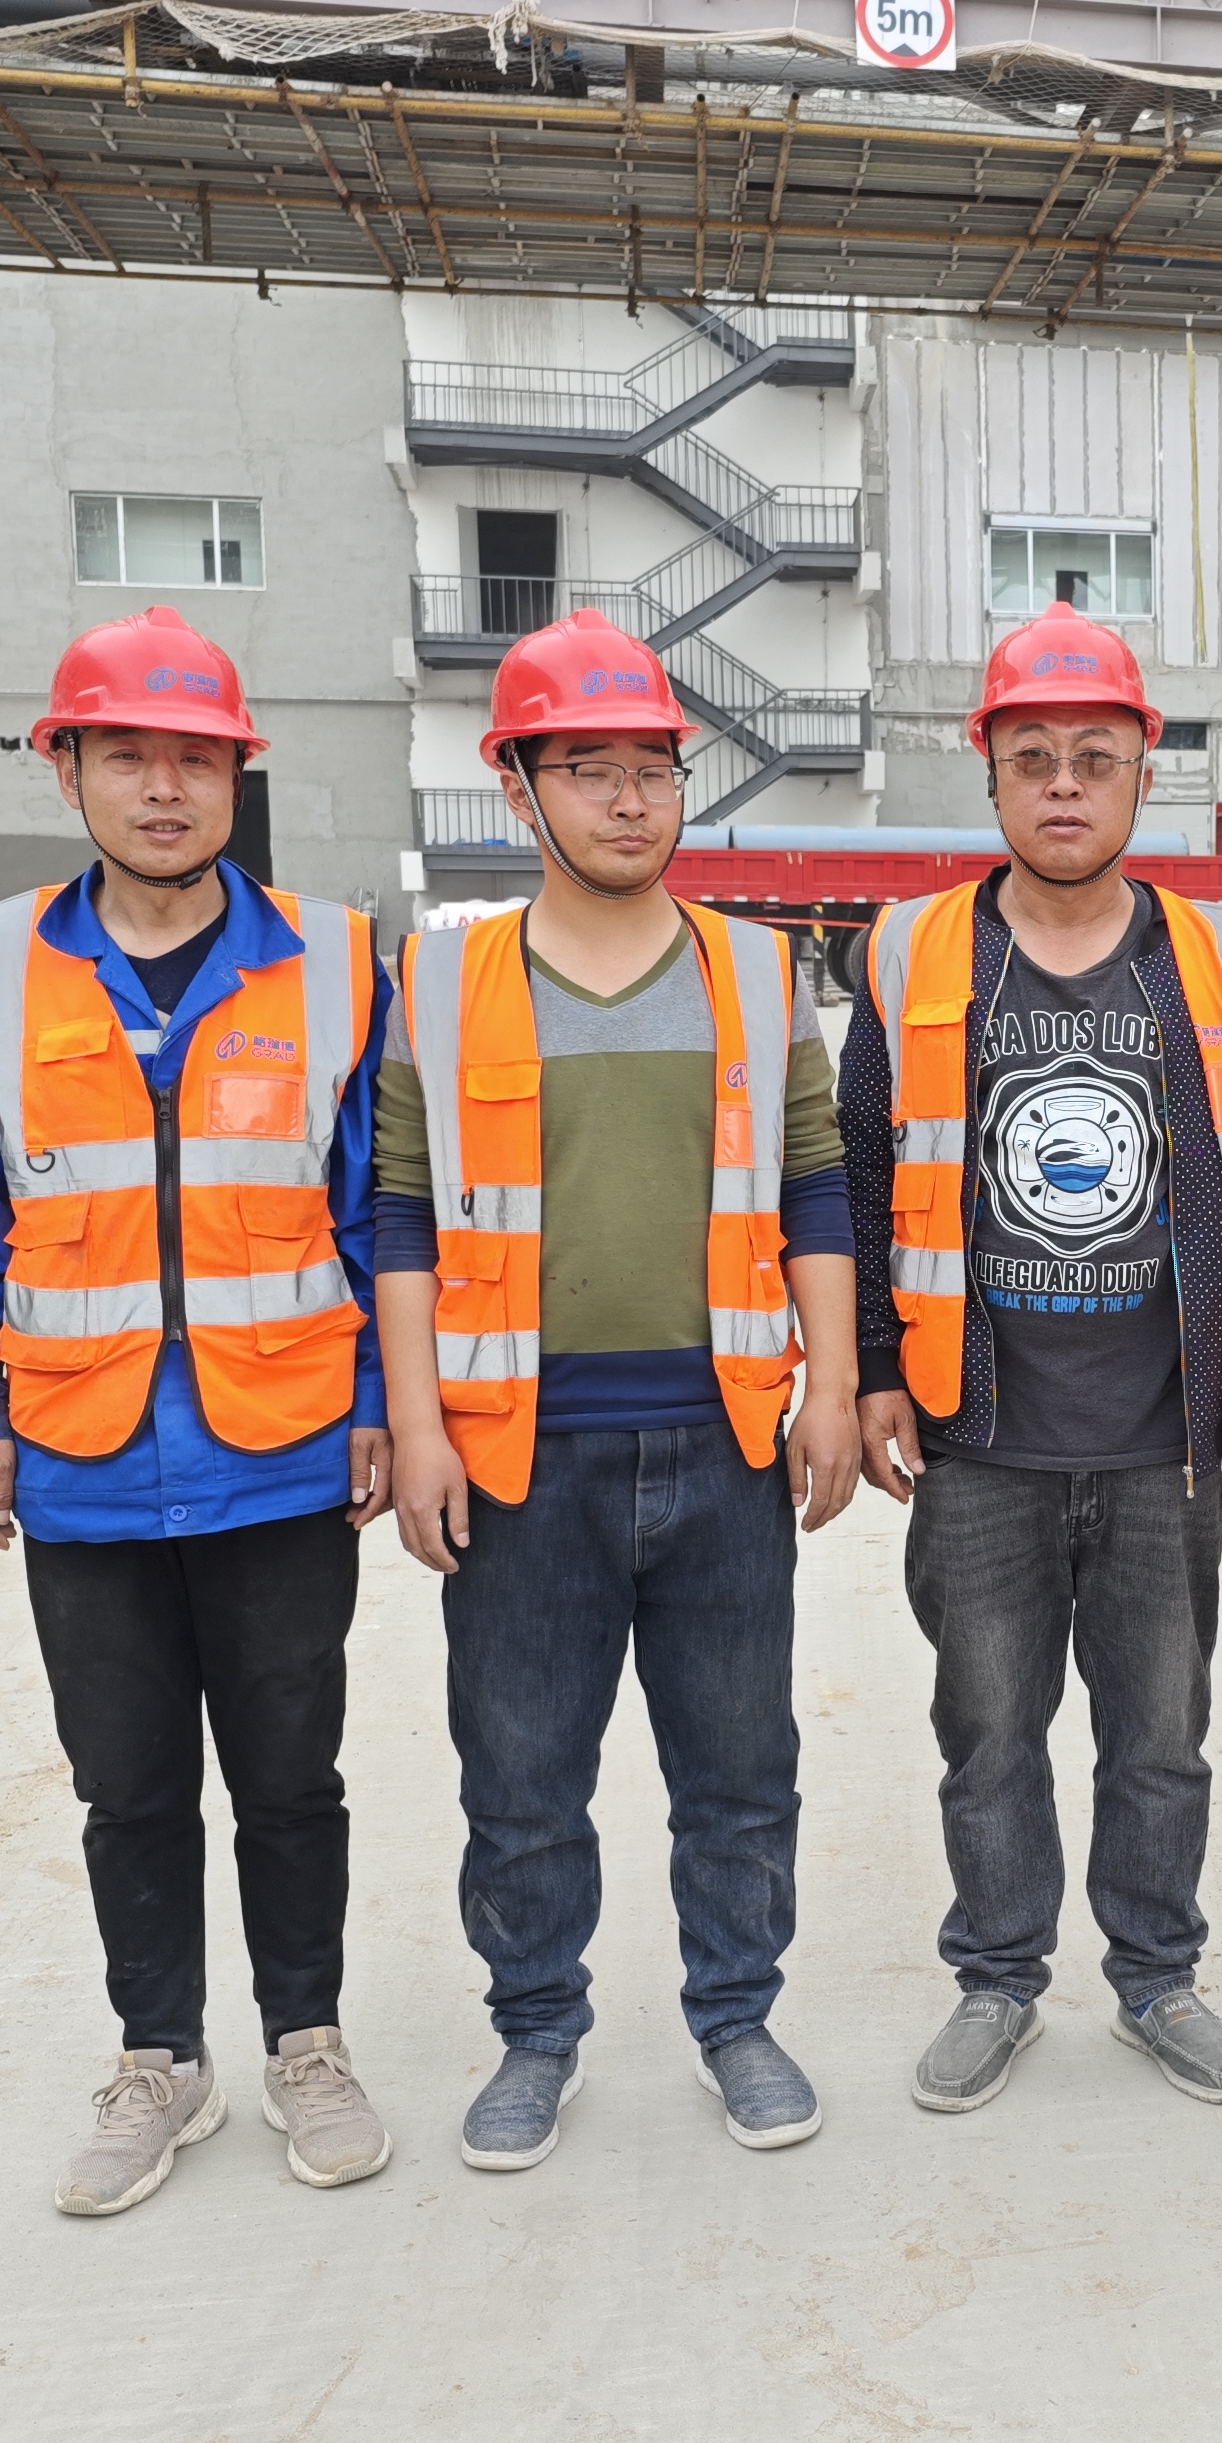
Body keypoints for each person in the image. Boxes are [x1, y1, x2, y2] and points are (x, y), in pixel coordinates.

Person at [0, 606, 397, 2218]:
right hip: (84, 1455)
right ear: (70, 773)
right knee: (127, 1787)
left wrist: (380, 1397)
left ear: (239, 777)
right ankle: (159, 2057)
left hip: (282, 1450)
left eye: (196, 759)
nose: (164, 789)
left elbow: (378, 1209)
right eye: (129, 757)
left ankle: (306, 2041)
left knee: (292, 1780)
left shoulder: (335, 963)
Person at [374, 610, 861, 2167]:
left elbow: (815, 1185)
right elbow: (400, 1214)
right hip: (518, 1458)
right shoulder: (442, 984)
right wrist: (420, 1426)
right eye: (587, 769)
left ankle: (737, 2016)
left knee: (740, 1770)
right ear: (518, 787)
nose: (631, 799)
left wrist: (834, 1386)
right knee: (522, 1778)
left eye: (652, 766)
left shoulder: (757, 973)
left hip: (725, 1444)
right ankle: (538, 2030)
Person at [840, 605, 1222, 2117]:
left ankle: (1158, 1977)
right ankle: (997, 1978)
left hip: (1164, 1426)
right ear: (988, 771)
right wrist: (871, 1371)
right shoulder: (911, 950)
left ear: (1139, 776)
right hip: (979, 1429)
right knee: (988, 1732)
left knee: (1160, 1735)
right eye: (1034, 757)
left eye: (1094, 758)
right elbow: (864, 1176)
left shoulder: (1212, 953)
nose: (1064, 785)